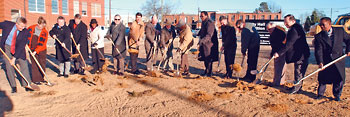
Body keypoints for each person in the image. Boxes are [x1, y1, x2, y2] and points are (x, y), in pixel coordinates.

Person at [314, 17, 350, 101]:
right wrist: (320, 62)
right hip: (326, 60)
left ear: (329, 24)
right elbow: (318, 51)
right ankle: (320, 94)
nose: (321, 26)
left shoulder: (340, 31)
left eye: (323, 25)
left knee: (338, 78)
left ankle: (337, 95)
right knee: (323, 78)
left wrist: (348, 50)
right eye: (320, 25)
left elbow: (349, 40)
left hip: (338, 59)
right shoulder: (319, 36)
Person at [273, 14, 310, 94]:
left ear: (293, 21)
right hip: (299, 54)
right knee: (298, 71)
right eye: (284, 23)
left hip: (301, 55)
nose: (285, 24)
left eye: (287, 22)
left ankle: (296, 89)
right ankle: (297, 87)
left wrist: (279, 53)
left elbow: (289, 44)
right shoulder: (294, 28)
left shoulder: (295, 29)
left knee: (299, 71)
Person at [0, 17, 35, 93]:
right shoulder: (7, 24)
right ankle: (13, 86)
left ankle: (27, 84)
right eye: (21, 26)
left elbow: (21, 46)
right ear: (16, 24)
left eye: (24, 26)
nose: (23, 28)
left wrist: (14, 58)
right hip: (7, 47)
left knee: (24, 64)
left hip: (18, 48)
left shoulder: (25, 32)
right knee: (9, 66)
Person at [27, 16, 49, 85]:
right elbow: (26, 37)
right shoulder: (31, 28)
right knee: (34, 64)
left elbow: (43, 44)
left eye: (43, 27)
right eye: (40, 26)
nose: (41, 28)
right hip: (32, 48)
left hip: (41, 50)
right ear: (38, 24)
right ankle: (36, 79)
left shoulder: (45, 32)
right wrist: (27, 46)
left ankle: (41, 78)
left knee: (42, 63)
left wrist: (36, 51)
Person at [197, 11, 219, 77]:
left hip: (209, 44)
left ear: (206, 16)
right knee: (204, 58)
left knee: (208, 58)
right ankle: (206, 71)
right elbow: (202, 31)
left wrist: (202, 41)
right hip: (204, 43)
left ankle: (209, 73)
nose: (201, 18)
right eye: (200, 16)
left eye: (202, 16)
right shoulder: (204, 22)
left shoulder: (210, 23)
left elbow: (209, 35)